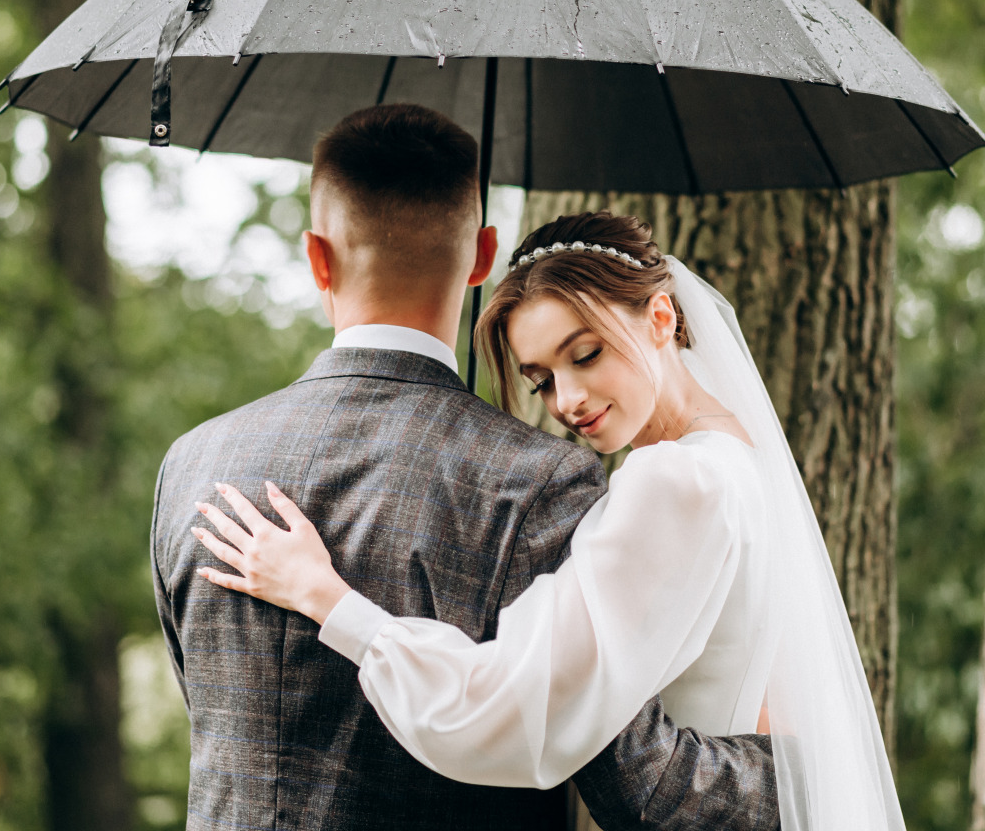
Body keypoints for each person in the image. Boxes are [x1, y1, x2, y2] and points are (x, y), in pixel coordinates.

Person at [191, 183, 908, 829]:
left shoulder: (673, 483)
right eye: (539, 379)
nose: (566, 402)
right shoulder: (735, 455)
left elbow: (510, 705)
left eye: (586, 354)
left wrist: (326, 598)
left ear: (661, 317)